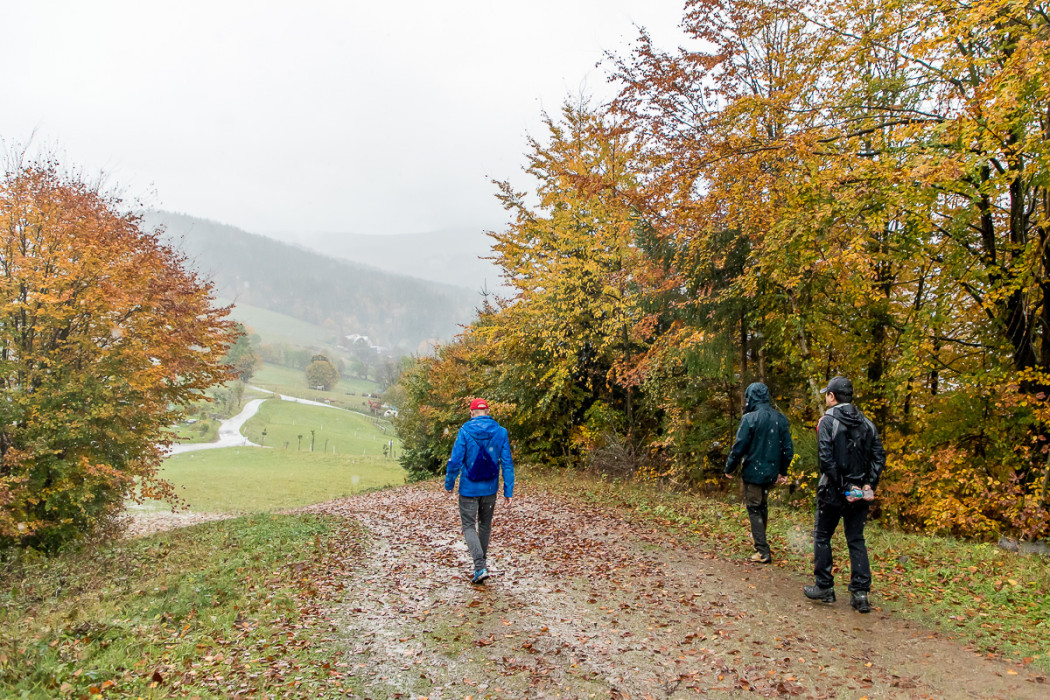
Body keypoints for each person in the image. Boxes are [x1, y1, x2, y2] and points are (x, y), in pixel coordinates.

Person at [804, 376, 886, 613]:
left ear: (832, 396)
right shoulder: (867, 423)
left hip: (833, 490)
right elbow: (879, 456)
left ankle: (824, 586)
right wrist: (868, 484)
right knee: (855, 539)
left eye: (827, 394)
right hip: (859, 490)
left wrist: (841, 487)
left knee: (822, 536)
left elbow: (825, 459)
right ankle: (860, 593)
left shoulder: (827, 422)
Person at [723, 382, 794, 563]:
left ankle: (762, 550)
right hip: (770, 471)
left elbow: (739, 446)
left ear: (751, 397)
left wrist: (730, 467)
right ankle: (760, 541)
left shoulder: (750, 418)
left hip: (754, 471)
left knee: (755, 508)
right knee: (762, 505)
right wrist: (782, 471)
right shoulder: (780, 418)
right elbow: (788, 449)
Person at [446, 398, 515, 584]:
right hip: (490, 489)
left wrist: (449, 484)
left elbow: (455, 461)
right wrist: (508, 491)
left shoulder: (464, 431)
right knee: (484, 525)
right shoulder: (501, 432)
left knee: (469, 526)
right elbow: (507, 463)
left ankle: (479, 566)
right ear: (488, 411)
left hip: (469, 489)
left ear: (471, 412)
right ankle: (481, 566)